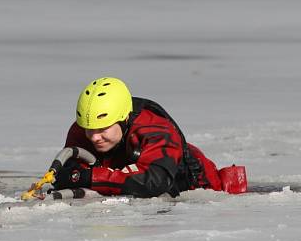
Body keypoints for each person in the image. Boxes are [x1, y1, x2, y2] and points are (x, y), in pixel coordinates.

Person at [48, 77, 247, 197]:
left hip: (203, 191)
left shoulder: (156, 130)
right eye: (89, 129)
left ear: (123, 118)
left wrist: (92, 177)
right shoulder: (82, 130)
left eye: (103, 129)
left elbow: (155, 182)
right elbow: (72, 173)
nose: (94, 137)